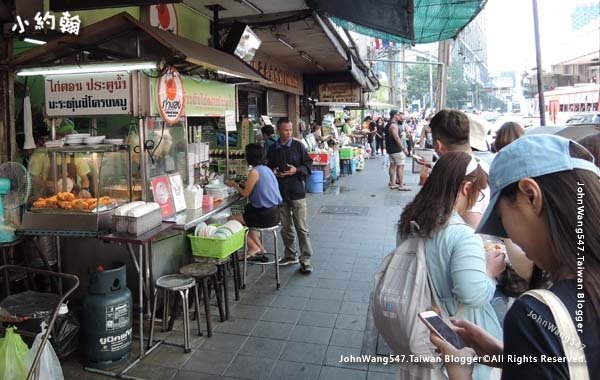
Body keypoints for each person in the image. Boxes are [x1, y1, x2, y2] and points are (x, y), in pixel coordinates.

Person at [430, 135, 600, 380]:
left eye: (500, 218)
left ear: (531, 195)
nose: (506, 233)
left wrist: (459, 373)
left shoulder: (536, 315)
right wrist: (508, 356)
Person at [398, 151, 504, 380]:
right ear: (467, 189)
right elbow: (473, 294)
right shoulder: (463, 236)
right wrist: (490, 272)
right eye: (479, 193)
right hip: (455, 334)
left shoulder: (411, 222)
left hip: (420, 323)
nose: (477, 199)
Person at [266, 118, 315, 273]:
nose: (288, 133)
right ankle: (290, 255)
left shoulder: (298, 146)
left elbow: (308, 164)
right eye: (285, 130)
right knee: (286, 227)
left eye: (290, 130)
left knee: (302, 227)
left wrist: (297, 170)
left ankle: (306, 259)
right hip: (280, 193)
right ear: (278, 131)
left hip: (297, 192)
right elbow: (268, 167)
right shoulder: (273, 148)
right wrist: (273, 172)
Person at [227, 143, 282, 259]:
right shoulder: (266, 169)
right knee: (247, 221)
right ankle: (261, 249)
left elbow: (246, 194)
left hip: (264, 215)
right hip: (275, 213)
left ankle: (253, 247)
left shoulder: (254, 172)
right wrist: (244, 185)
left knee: (233, 220)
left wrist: (235, 185)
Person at [385, 110, 410, 191]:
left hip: (390, 149)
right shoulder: (394, 125)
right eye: (398, 115)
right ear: (395, 115)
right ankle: (401, 185)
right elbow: (396, 138)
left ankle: (392, 183)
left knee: (392, 165)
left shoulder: (388, 124)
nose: (400, 116)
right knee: (401, 166)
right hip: (396, 149)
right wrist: (403, 148)